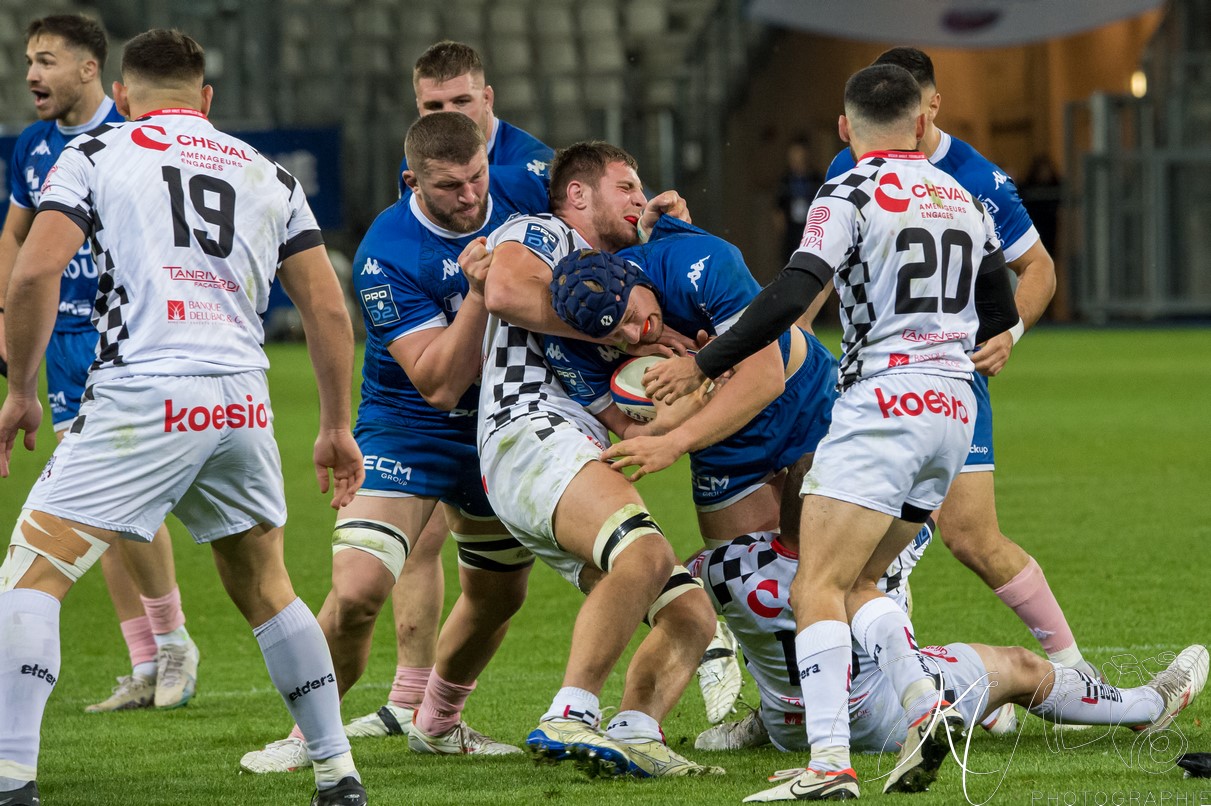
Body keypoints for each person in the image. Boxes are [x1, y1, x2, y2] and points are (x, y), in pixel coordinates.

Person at [0, 29, 366, 806]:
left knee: (33, 572)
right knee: (266, 585)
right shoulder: (265, 171)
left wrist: (22, 389)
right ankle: (337, 772)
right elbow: (328, 309)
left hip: (144, 392)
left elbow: (33, 272)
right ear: (206, 97)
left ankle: (10, 777)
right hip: (240, 400)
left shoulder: (96, 153)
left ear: (121, 96)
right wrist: (336, 425)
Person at [644, 64, 1022, 799]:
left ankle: (827, 765)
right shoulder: (963, 197)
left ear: (845, 129)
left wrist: (701, 365)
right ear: (922, 123)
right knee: (859, 580)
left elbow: (794, 290)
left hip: (881, 407)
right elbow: (1000, 313)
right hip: (952, 415)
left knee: (814, 583)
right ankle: (924, 704)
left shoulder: (847, 189)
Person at [238, 111, 549, 773]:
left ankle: (438, 723)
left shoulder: (523, 202)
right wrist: (478, 293)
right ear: (412, 181)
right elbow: (437, 384)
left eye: (476, 178)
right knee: (355, 593)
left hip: (500, 424)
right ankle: (306, 737)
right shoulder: (387, 251)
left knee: (499, 594)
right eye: (449, 187)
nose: (469, 196)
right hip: (407, 429)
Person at [822, 48, 1091, 684]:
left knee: (969, 537)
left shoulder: (977, 177)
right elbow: (823, 263)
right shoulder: (851, 164)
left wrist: (1009, 331)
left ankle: (1073, 674)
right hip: (872, 378)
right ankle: (905, 685)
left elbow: (1039, 267)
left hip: (950, 376)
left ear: (930, 107)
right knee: (857, 550)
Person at [470, 141, 723, 778]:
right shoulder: (545, 232)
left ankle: (635, 731)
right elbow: (504, 290)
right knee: (647, 555)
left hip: (574, 453)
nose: (641, 197)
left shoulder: (620, 274)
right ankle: (570, 712)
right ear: (579, 194)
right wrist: (621, 330)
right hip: (528, 429)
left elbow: (630, 424)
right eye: (626, 186)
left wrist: (701, 383)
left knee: (690, 615)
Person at [692, 465, 1208, 762]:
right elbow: (930, 510)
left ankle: (759, 721)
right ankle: (1146, 706)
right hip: (882, 720)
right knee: (1017, 665)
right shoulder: (876, 558)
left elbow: (673, 591)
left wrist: (713, 648)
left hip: (791, 729)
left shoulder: (725, 566)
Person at [543, 217, 839, 723]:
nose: (635, 333)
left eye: (632, 315)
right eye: (617, 336)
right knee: (750, 582)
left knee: (835, 558)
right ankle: (778, 711)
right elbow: (632, 433)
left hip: (802, 398)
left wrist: (678, 434)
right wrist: (684, 406)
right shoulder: (571, 344)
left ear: (633, 277)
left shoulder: (700, 262)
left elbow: (764, 377)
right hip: (724, 441)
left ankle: (892, 677)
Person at [348, 38, 556, 740]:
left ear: (487, 98)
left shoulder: (534, 173)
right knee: (399, 553)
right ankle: (394, 703)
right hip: (420, 401)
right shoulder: (412, 194)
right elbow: (424, 276)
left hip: (504, 405)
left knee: (500, 586)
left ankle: (432, 713)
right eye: (432, 104)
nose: (449, 114)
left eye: (461, 100)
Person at [0, 13, 200, 714]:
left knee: (122, 503)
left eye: (47, 60)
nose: (32, 74)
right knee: (97, 511)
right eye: (30, 60)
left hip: (125, 340)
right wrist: (8, 312)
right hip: (61, 345)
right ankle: (147, 659)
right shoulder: (32, 147)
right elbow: (14, 236)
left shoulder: (132, 135)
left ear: (91, 70)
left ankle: (173, 641)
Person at [396, 40, 552, 198]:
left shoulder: (531, 170)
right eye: (435, 106)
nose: (448, 117)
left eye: (461, 102)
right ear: (419, 108)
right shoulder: (415, 164)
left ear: (487, 99)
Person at [774, 137, 825, 265]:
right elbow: (778, 209)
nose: (798, 162)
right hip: (791, 232)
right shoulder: (785, 181)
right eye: (794, 158)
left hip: (812, 230)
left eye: (801, 157)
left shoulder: (817, 179)